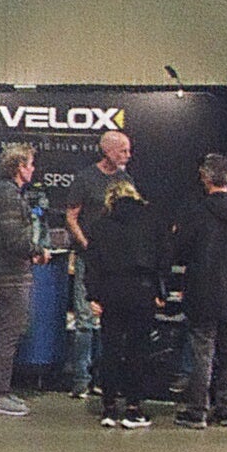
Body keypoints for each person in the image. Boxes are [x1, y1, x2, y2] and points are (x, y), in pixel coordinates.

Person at [168, 153, 227, 430]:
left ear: (205, 177)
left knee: (202, 351)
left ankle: (197, 411)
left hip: (201, 291)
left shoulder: (196, 213)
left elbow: (180, 251)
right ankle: (226, 410)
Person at [79, 176, 161, 429]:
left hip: (111, 292)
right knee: (138, 350)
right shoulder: (150, 222)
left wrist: (93, 296)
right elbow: (162, 257)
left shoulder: (100, 225)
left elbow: (91, 265)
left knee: (111, 349)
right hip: (142, 291)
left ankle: (109, 407)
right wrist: (160, 291)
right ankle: (134, 408)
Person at [61, 128, 134, 409]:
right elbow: (71, 216)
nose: (127, 155)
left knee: (110, 322)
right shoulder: (86, 179)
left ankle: (106, 378)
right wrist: (87, 245)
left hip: (115, 262)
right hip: (88, 258)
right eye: (123, 151)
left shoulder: (126, 180)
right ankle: (80, 380)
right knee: (84, 320)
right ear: (108, 151)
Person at [0, 142, 45, 417]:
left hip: (5, 270)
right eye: (30, 164)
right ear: (19, 166)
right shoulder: (8, 197)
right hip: (11, 272)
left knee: (5, 330)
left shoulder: (0, 194)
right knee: (9, 330)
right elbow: (15, 238)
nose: (33, 169)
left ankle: (0, 391)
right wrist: (37, 251)